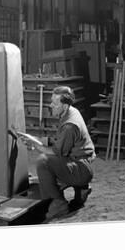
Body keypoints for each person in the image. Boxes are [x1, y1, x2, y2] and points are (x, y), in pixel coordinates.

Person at [22, 86, 95, 220]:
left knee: (43, 161)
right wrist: (38, 140)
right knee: (50, 162)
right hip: (83, 161)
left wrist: (35, 145)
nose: (51, 105)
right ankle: (82, 189)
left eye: (55, 103)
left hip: (81, 168)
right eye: (51, 101)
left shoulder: (69, 125)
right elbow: (60, 141)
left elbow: (56, 153)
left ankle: (59, 203)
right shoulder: (72, 112)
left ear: (65, 106)